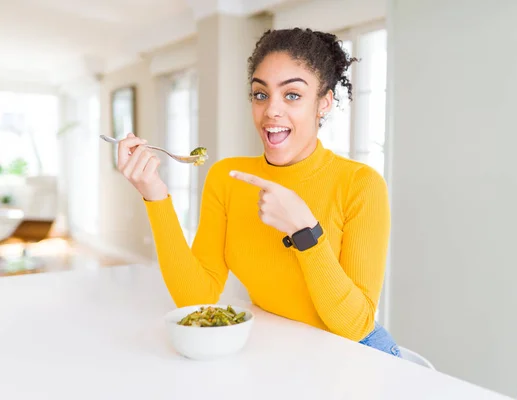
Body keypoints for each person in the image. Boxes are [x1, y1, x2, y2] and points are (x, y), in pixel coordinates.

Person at [117, 28, 401, 358]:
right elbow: (196, 299)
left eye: (292, 95)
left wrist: (304, 232)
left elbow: (355, 326)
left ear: (324, 103)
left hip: (357, 355)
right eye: (261, 94)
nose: (271, 111)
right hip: (278, 348)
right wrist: (155, 195)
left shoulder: (361, 185)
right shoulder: (228, 177)